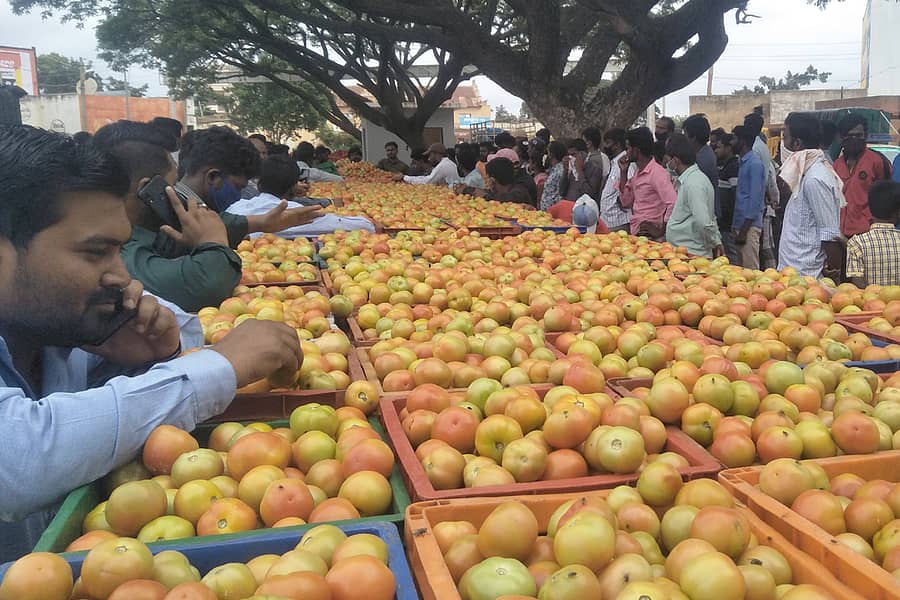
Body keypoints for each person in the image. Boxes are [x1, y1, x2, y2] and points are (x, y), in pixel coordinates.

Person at [0, 124, 303, 562]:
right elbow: (20, 460)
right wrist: (219, 366)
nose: (121, 275)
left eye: (118, 251)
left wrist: (158, 354)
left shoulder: (59, 330)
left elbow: (185, 326)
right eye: (95, 252)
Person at [228, 156, 375, 237]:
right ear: (294, 186)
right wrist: (366, 221)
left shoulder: (235, 207)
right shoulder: (293, 213)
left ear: (258, 183)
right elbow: (363, 226)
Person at [777, 113, 843, 280]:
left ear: (797, 143)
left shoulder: (815, 178)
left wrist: (835, 274)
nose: (782, 143)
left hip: (806, 277)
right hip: (792, 272)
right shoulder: (805, 174)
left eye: (785, 137)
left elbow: (830, 234)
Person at [663, 134, 723, 258]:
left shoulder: (694, 183)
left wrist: (715, 242)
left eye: (668, 161)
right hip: (683, 252)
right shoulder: (689, 180)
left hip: (692, 254)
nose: (667, 165)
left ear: (675, 161)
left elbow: (704, 222)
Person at [834, 113, 891, 238]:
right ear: (842, 137)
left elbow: (887, 197)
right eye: (850, 135)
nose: (854, 139)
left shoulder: (877, 161)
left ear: (865, 136)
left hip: (867, 234)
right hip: (840, 234)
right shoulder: (836, 165)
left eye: (859, 135)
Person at [618, 127, 677, 239]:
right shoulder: (637, 172)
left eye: (628, 148)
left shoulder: (657, 173)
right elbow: (625, 202)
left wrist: (662, 230)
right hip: (638, 231)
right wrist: (623, 173)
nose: (626, 152)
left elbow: (673, 202)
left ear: (637, 150)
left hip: (651, 235)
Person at [846, 180, 900, 287]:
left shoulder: (856, 243)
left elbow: (858, 286)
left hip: (870, 298)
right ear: (898, 213)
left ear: (870, 210)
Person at [731, 125, 766, 269]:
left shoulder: (755, 164)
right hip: (740, 225)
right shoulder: (743, 163)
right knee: (741, 272)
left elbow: (755, 200)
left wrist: (744, 231)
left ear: (743, 141)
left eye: (734, 139)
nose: (731, 142)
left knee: (750, 271)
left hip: (749, 227)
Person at [598, 128, 633, 233]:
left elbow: (630, 187)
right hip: (608, 220)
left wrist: (620, 200)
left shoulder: (625, 162)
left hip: (618, 220)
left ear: (617, 144)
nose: (605, 146)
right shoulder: (614, 163)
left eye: (608, 143)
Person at [714, 132, 740, 264]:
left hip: (728, 221)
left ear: (728, 148)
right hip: (723, 221)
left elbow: (735, 195)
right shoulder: (724, 165)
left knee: (731, 255)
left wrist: (733, 222)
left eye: (719, 147)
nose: (716, 150)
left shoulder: (733, 167)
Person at [682, 114, 718, 194]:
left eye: (685, 133)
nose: (683, 137)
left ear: (693, 137)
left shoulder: (703, 160)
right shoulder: (703, 153)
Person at [540, 141, 568, 211]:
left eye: (548, 151)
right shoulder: (554, 169)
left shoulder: (560, 170)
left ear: (551, 154)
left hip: (553, 210)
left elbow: (560, 192)